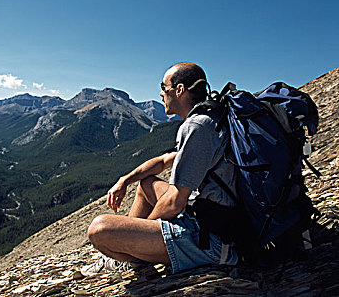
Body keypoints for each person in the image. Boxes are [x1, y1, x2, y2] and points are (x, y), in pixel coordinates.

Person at [85, 62, 238, 274]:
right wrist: (125, 180)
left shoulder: (197, 126)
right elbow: (164, 160)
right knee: (146, 185)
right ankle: (138, 254)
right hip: (212, 218)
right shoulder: (212, 117)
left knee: (99, 229)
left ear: (180, 90)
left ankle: (135, 257)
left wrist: (141, 231)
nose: (161, 93)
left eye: (164, 88)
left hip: (214, 240)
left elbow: (175, 202)